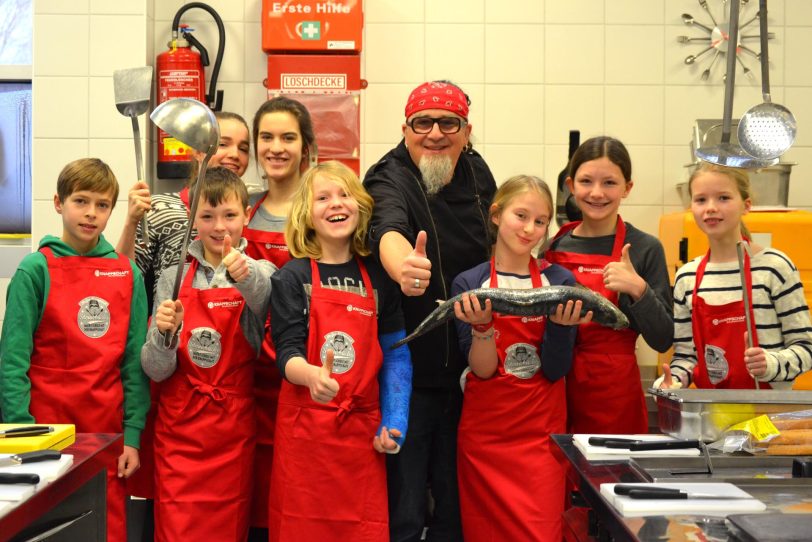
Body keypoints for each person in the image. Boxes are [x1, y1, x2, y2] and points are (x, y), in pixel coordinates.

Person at [363, 80, 496, 541]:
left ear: (467, 130)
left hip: (471, 370)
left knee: (460, 504)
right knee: (404, 508)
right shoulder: (388, 175)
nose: (435, 133)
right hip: (409, 374)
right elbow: (388, 227)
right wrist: (405, 267)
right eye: (423, 122)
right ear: (405, 128)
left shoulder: (478, 173)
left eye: (448, 123)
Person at [0, 158, 150, 542]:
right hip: (43, 431)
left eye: (102, 205)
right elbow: (12, 361)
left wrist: (132, 436)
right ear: (58, 203)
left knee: (103, 526)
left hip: (107, 432)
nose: (91, 214)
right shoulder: (35, 270)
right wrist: (20, 431)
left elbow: (134, 363)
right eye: (81, 201)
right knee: (45, 529)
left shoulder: (126, 273)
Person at [116, 111, 251, 526]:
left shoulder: (255, 262)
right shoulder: (163, 226)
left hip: (233, 421)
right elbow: (121, 282)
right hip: (178, 411)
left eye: (242, 147)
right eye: (221, 143)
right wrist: (163, 334)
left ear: (244, 214)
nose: (231, 154)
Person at [268, 161, 412, 542]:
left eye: (345, 194)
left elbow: (395, 355)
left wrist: (395, 421)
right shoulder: (292, 277)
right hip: (305, 440)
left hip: (362, 440)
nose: (336, 204)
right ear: (307, 214)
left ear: (361, 206)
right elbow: (287, 353)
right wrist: (312, 375)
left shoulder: (380, 277)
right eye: (323, 197)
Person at [140, 167, 274, 542]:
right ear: (192, 218)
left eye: (230, 215)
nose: (220, 227)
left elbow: (267, 300)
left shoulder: (261, 270)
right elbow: (155, 370)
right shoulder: (173, 276)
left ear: (247, 216)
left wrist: (243, 274)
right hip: (178, 433)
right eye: (208, 216)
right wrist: (165, 335)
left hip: (231, 434)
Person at [452, 175, 585, 542]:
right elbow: (482, 370)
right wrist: (482, 330)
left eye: (540, 221)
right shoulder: (470, 283)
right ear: (496, 215)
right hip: (485, 443)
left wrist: (560, 328)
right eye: (520, 215)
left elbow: (557, 370)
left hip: (540, 443)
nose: (530, 229)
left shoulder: (560, 282)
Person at [544, 136, 673, 435]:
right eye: (586, 181)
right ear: (570, 185)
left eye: (610, 183)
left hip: (614, 396)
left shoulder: (645, 248)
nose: (597, 193)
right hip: (556, 386)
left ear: (627, 187)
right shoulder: (553, 246)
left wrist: (639, 290)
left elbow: (663, 339)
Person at [659, 163, 812, 390]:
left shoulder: (773, 268)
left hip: (769, 411)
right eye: (701, 200)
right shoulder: (687, 277)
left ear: (746, 205)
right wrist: (673, 381)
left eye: (723, 198)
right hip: (713, 414)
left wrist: (771, 364)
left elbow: (805, 348)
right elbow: (686, 356)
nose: (710, 208)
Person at [242, 96, 315, 540]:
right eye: (266, 137)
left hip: (300, 375)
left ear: (306, 146)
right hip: (245, 377)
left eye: (288, 137)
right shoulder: (242, 211)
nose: (276, 147)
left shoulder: (321, 211)